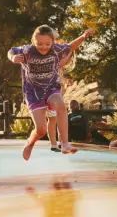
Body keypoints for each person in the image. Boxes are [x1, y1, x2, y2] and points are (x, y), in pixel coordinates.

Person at [8, 25, 94, 161]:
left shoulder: (56, 50)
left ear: (53, 42)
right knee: (41, 130)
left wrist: (84, 36)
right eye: (39, 44)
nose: (43, 47)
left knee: (61, 105)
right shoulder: (27, 51)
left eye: (47, 44)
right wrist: (13, 57)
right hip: (33, 93)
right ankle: (30, 143)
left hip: (51, 88)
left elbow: (71, 47)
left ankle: (65, 144)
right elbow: (12, 50)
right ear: (33, 42)